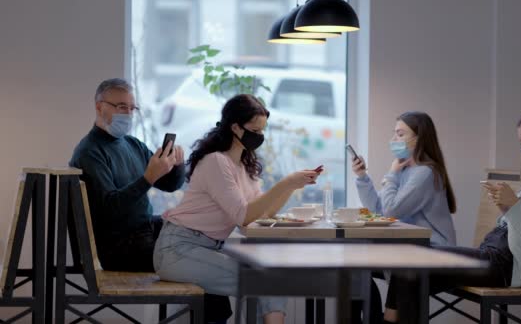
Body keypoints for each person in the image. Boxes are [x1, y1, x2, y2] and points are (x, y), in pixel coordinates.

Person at [383, 106, 521, 323]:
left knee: (411, 263)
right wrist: (507, 207)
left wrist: (514, 205)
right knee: (409, 265)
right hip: (492, 252)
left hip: (504, 264)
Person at [70, 78, 232, 323]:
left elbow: (168, 184)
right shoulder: (89, 151)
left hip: (144, 232)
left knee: (201, 246)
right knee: (197, 261)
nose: (127, 113)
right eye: (120, 106)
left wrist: (176, 166)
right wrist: (147, 178)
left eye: (131, 107)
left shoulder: (132, 144)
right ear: (99, 107)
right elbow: (109, 208)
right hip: (117, 246)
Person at [153, 94, 322, 324]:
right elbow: (243, 215)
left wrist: (292, 186)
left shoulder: (242, 165)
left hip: (203, 248)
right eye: (255, 130)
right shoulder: (216, 162)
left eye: (262, 131)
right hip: (177, 250)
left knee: (270, 277)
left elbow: (262, 213)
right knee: (263, 281)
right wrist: (285, 183)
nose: (259, 136)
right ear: (235, 127)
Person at [351, 111, 457, 323]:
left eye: (400, 134)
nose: (393, 140)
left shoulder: (425, 173)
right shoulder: (406, 170)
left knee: (402, 264)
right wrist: (362, 177)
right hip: (411, 250)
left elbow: (390, 211)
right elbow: (379, 210)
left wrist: (391, 174)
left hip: (435, 253)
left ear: (418, 138)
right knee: (354, 270)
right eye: (394, 134)